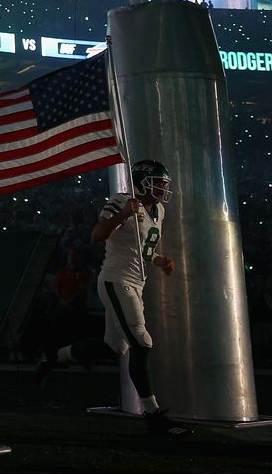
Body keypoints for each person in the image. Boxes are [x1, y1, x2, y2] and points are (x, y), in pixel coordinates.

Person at [36, 160, 192, 438]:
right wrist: (123, 214)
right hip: (116, 280)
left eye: (163, 184)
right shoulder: (122, 200)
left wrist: (159, 260)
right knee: (142, 342)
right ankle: (153, 415)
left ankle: (53, 356)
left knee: (113, 347)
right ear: (142, 182)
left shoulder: (159, 210)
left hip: (135, 283)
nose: (162, 188)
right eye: (157, 182)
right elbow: (97, 236)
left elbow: (143, 249)